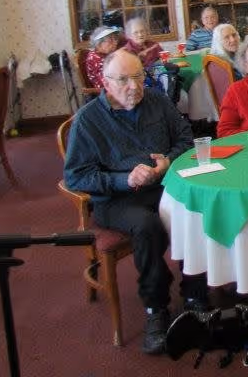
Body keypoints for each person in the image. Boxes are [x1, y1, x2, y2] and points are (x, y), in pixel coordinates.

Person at [63, 50, 207, 355]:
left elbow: (185, 139)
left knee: (193, 208)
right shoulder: (88, 120)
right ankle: (156, 309)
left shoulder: (157, 101)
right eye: (124, 80)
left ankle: (195, 294)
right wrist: (123, 179)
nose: (134, 86)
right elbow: (76, 176)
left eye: (139, 76)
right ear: (105, 82)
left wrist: (167, 161)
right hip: (116, 198)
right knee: (147, 226)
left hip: (160, 183)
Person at [84, 25, 121, 91]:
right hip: (106, 91)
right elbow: (107, 81)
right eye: (110, 41)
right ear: (99, 44)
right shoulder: (94, 58)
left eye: (115, 39)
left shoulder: (106, 54)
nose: (115, 43)